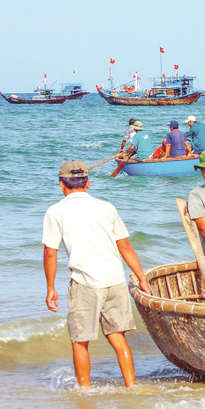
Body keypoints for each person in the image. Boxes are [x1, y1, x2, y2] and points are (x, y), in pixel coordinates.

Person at [42, 160, 152, 388]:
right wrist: (142, 278)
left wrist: (50, 288)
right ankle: (131, 386)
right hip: (115, 280)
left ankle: (84, 392)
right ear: (88, 183)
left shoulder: (55, 211)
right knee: (118, 337)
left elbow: (50, 252)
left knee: (80, 341)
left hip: (85, 283)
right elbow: (125, 246)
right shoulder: (107, 208)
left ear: (62, 185)